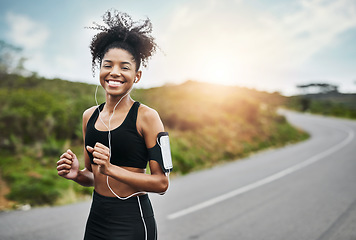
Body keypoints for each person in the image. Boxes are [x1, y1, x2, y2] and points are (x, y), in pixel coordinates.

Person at [56, 10, 171, 240]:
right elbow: (92, 175)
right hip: (97, 219)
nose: (114, 72)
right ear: (100, 70)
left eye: (125, 67)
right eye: (108, 65)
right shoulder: (89, 116)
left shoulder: (147, 116)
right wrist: (77, 175)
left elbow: (161, 183)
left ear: (136, 76)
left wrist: (112, 169)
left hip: (132, 220)